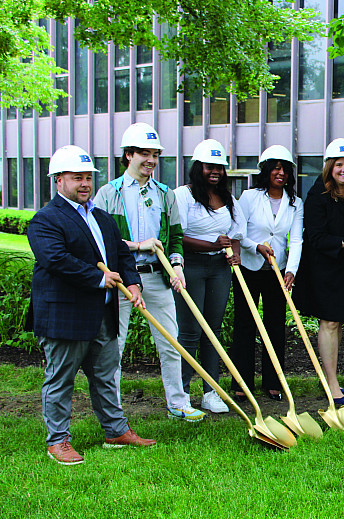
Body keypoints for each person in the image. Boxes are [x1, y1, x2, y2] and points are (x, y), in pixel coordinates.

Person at [29, 145, 155, 465]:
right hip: (65, 314)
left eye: (88, 177)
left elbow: (121, 255)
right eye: (77, 178)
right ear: (59, 181)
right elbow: (55, 260)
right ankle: (58, 440)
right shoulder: (46, 219)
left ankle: (115, 430)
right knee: (61, 378)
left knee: (105, 375)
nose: (85, 184)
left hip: (102, 312)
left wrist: (131, 282)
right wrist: (99, 278)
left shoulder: (101, 217)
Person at [94, 122, 205, 421]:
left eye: (155, 155)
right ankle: (112, 409)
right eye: (144, 153)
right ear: (128, 155)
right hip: (121, 280)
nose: (151, 161)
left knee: (171, 341)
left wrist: (177, 266)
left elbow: (176, 237)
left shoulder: (165, 194)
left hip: (157, 277)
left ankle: (178, 403)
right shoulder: (108, 194)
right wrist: (137, 244)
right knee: (113, 346)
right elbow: (100, 240)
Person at [293, 138, 344, 406]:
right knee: (330, 322)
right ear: (329, 167)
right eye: (339, 164)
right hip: (323, 268)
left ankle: (331, 376)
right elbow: (315, 237)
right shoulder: (317, 195)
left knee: (339, 321)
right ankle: (331, 383)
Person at [173, 139, 243, 412]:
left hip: (218, 269)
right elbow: (177, 236)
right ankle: (181, 394)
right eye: (209, 166)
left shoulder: (228, 198)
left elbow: (236, 232)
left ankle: (211, 391)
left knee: (212, 331)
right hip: (191, 266)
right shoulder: (184, 195)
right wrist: (213, 245)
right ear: (198, 167)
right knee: (189, 331)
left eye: (220, 167)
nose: (215, 171)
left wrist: (233, 251)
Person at [232, 145, 303, 402]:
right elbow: (238, 230)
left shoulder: (295, 203)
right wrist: (256, 247)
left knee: (275, 326)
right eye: (275, 167)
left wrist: (291, 270)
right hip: (249, 267)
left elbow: (295, 240)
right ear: (266, 171)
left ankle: (273, 381)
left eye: (284, 168)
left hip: (278, 270)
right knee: (245, 324)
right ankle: (242, 381)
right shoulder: (250, 197)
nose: (280, 173)